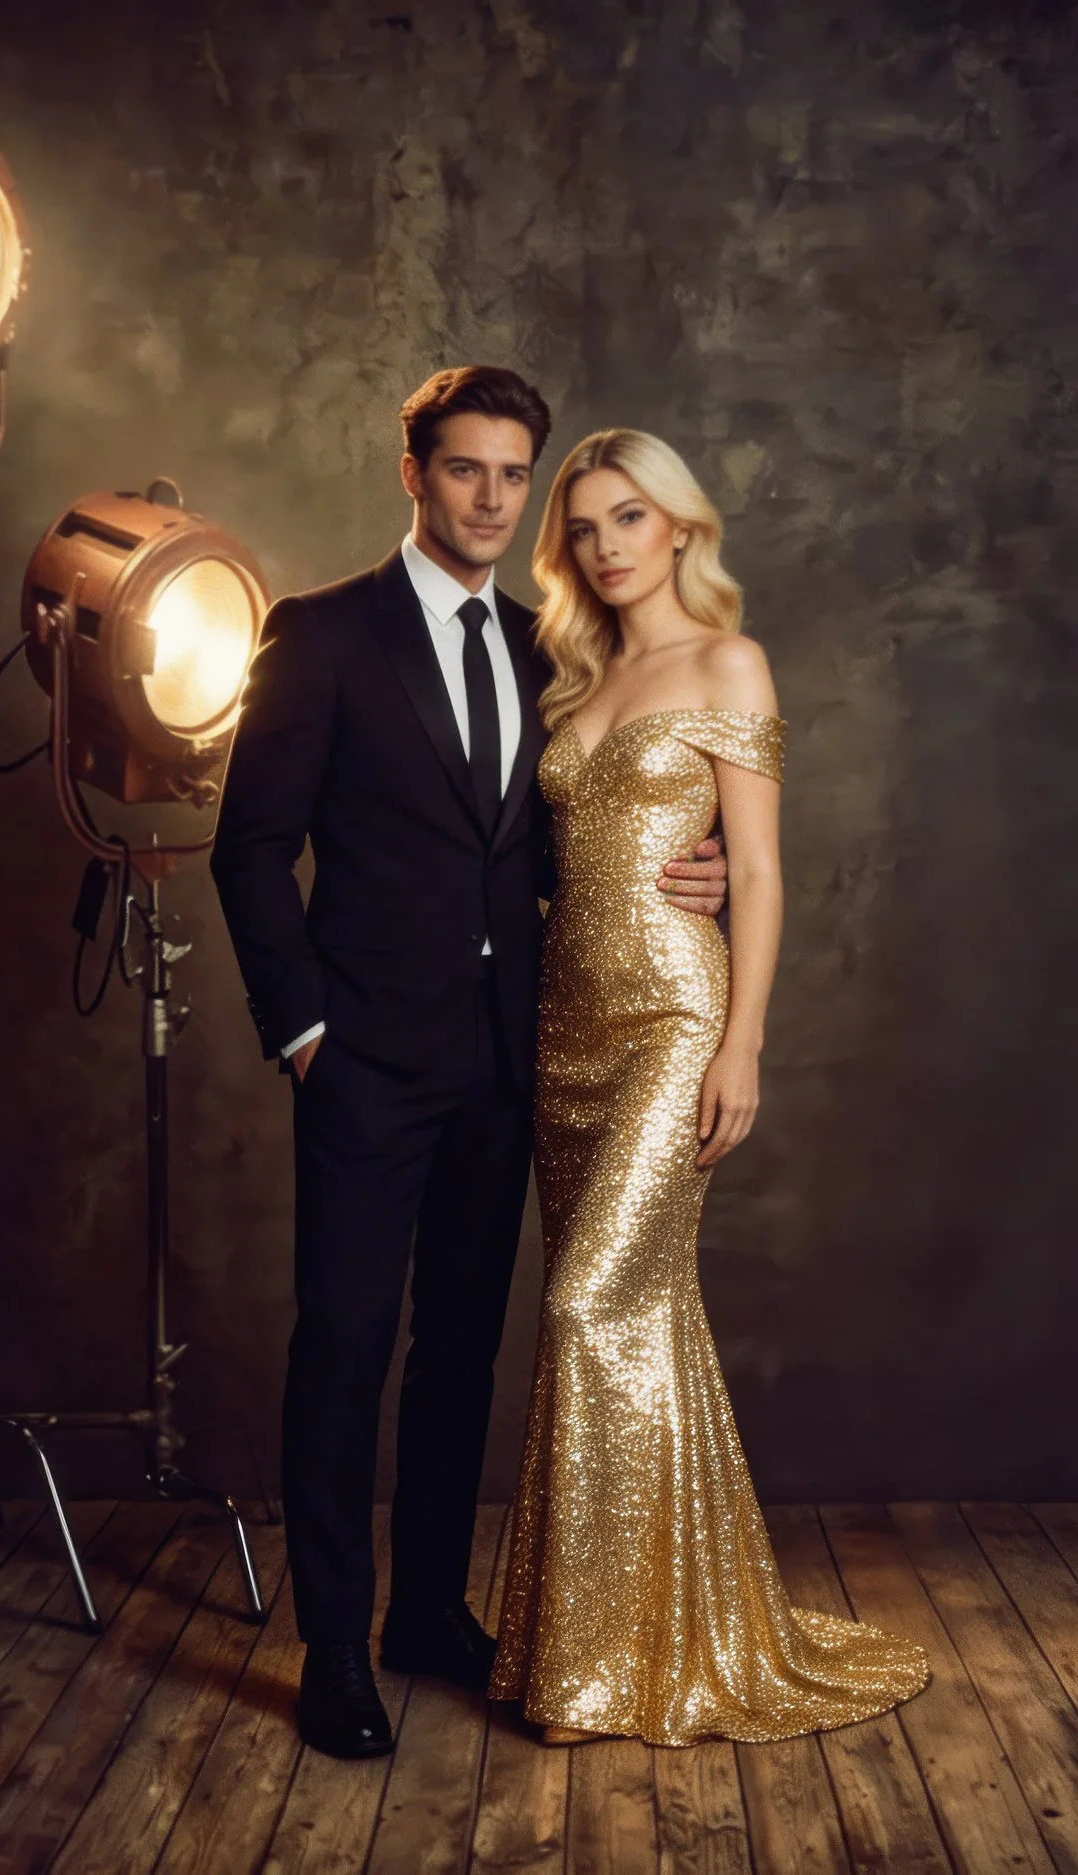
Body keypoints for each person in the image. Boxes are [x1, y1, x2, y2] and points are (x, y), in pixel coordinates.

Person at [210, 369, 730, 1759]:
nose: (493, 499)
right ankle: (335, 1648)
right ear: (414, 474)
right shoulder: (323, 633)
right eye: (464, 469)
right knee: (344, 1345)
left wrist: (708, 866)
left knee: (458, 1353)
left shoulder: (547, 648)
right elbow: (252, 848)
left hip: (509, 1063)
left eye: (513, 474)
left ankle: (427, 1613)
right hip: (364, 1064)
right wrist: (305, 1031)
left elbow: (579, 837)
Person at [488, 429, 929, 1745]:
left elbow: (763, 868)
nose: (606, 546)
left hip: (676, 1020)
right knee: (644, 1319)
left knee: (588, 1306)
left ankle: (591, 1671)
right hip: (564, 1029)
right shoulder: (572, 679)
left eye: (630, 518)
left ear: (681, 526)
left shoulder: (729, 661)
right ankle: (646, 1636)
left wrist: (742, 1044)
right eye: (583, 528)